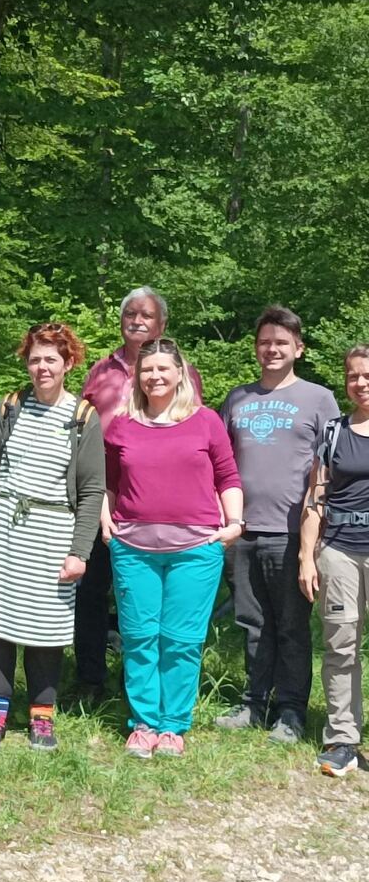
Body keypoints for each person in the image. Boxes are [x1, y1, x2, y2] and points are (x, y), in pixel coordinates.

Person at [0, 323, 104, 750]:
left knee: (46, 629)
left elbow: (93, 489)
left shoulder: (83, 417)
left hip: (52, 535)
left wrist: (80, 551)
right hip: (2, 531)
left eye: (51, 359)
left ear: (68, 363)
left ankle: (42, 717)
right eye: (35, 359)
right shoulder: (10, 407)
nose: (42, 367)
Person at [104, 338, 242, 759]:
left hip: (196, 550)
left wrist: (234, 524)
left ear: (180, 373)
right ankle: (144, 724)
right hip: (133, 549)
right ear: (137, 376)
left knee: (181, 640)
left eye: (163, 368)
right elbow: (107, 481)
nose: (155, 376)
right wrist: (105, 521)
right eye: (148, 370)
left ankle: (172, 727)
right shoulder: (122, 425)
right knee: (139, 636)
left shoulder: (206, 421)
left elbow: (227, 476)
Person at [75, 286, 204, 700]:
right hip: (100, 493)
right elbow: (79, 427)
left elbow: (197, 433)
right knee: (91, 590)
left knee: (156, 600)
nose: (137, 321)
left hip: (159, 505)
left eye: (146, 315)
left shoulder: (183, 372)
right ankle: (90, 679)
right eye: (130, 314)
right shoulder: (101, 371)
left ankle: (155, 687)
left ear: (162, 324)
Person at [217, 306, 338, 744]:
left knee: (290, 627)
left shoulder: (319, 399)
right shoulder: (237, 398)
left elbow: (330, 468)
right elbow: (219, 463)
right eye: (265, 342)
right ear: (256, 348)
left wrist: (315, 540)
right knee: (252, 623)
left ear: (298, 349)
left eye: (281, 343)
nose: (272, 349)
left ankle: (290, 710)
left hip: (292, 533)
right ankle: (254, 704)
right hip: (242, 531)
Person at [299, 345, 369, 778]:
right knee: (341, 646)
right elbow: (315, 499)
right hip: (340, 550)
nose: (360, 383)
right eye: (353, 376)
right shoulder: (334, 432)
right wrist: (307, 557)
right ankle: (343, 739)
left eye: (367, 375)